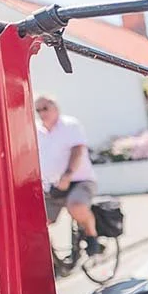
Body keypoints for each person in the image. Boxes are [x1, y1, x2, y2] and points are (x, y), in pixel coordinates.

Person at [35, 95, 102, 255]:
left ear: (56, 108)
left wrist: (68, 175)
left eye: (45, 108)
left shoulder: (70, 125)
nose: (42, 113)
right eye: (38, 110)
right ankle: (51, 259)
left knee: (76, 206)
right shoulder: (36, 131)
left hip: (79, 181)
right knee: (37, 222)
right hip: (52, 185)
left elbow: (78, 150)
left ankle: (92, 237)